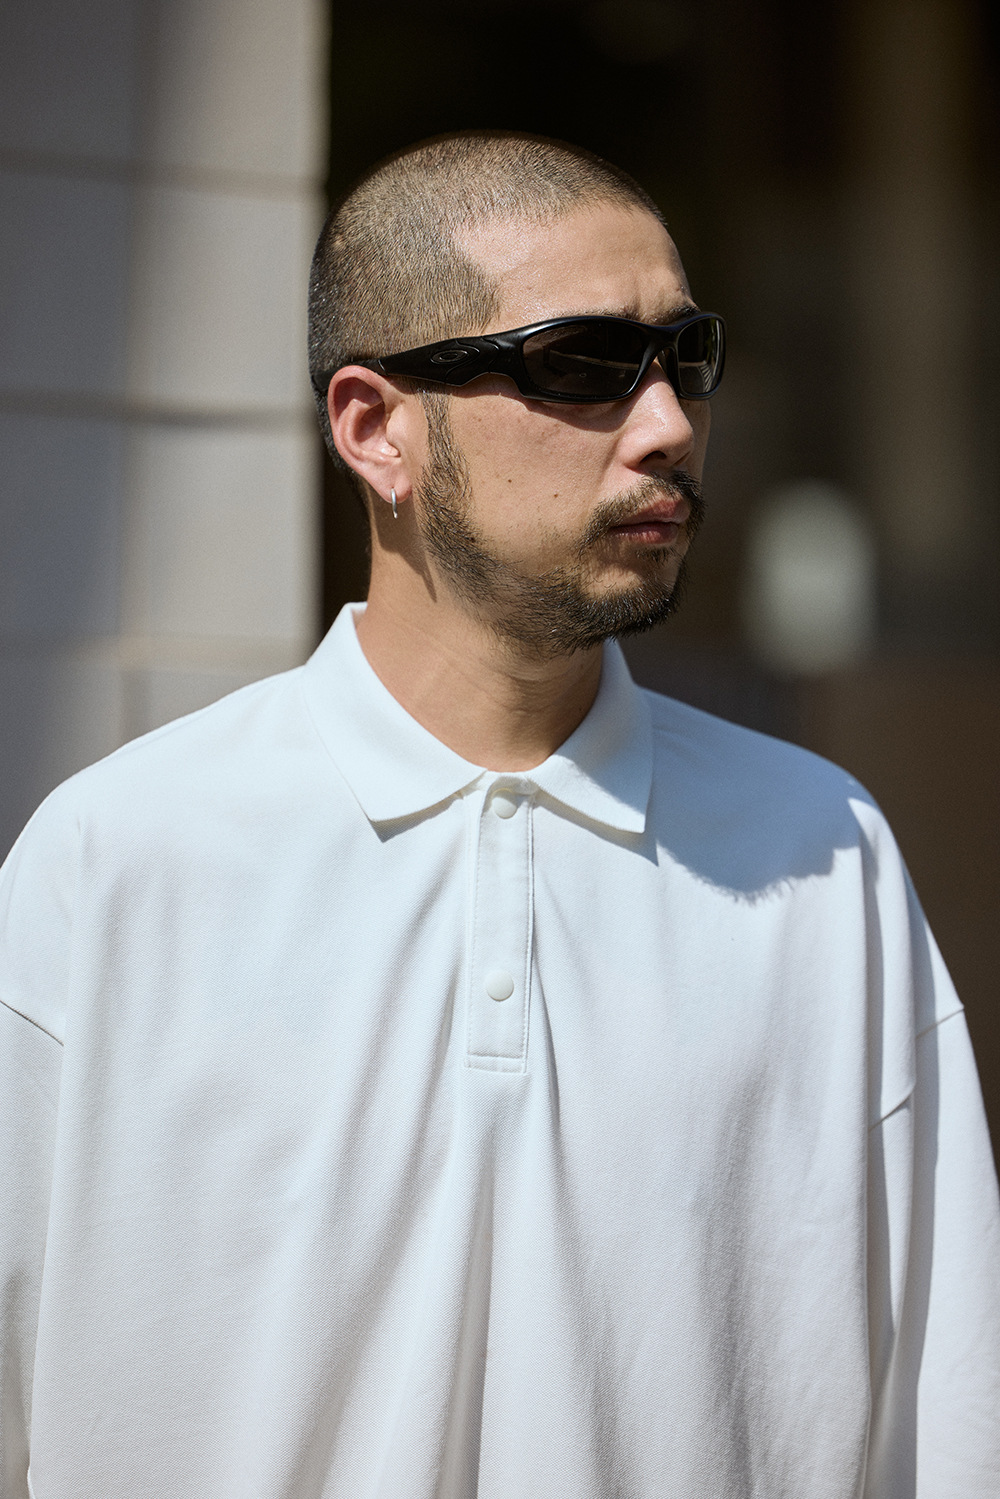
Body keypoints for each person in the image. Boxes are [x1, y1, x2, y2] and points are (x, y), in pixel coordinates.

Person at [1, 131, 998, 1499]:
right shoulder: (118, 864)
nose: (668, 426)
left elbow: (947, 1422)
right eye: (582, 364)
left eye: (686, 357)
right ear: (377, 428)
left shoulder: (823, 852)